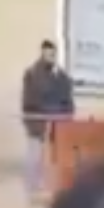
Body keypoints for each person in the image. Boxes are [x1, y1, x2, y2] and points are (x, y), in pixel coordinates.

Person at [22, 38, 76, 193]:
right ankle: (33, 189)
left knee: (52, 161)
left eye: (52, 54)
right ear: (42, 53)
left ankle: (49, 188)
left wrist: (66, 119)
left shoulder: (61, 77)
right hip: (38, 126)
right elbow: (29, 101)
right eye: (47, 54)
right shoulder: (32, 74)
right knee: (35, 159)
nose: (50, 57)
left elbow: (68, 102)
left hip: (57, 127)